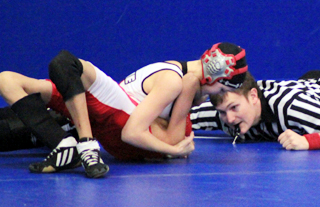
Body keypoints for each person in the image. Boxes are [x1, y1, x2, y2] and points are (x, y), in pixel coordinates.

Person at [0, 42, 248, 178]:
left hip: (105, 120)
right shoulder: (176, 81)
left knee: (63, 65)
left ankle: (77, 142)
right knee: (8, 79)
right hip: (110, 123)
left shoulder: (180, 76)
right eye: (220, 91)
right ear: (220, 80)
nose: (214, 98)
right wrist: (172, 149)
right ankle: (68, 142)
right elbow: (131, 132)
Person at [190, 70, 320, 151]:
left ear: (253, 96)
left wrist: (308, 141)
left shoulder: (292, 107)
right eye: (223, 112)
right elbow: (177, 117)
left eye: (234, 107)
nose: (229, 119)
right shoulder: (221, 114)